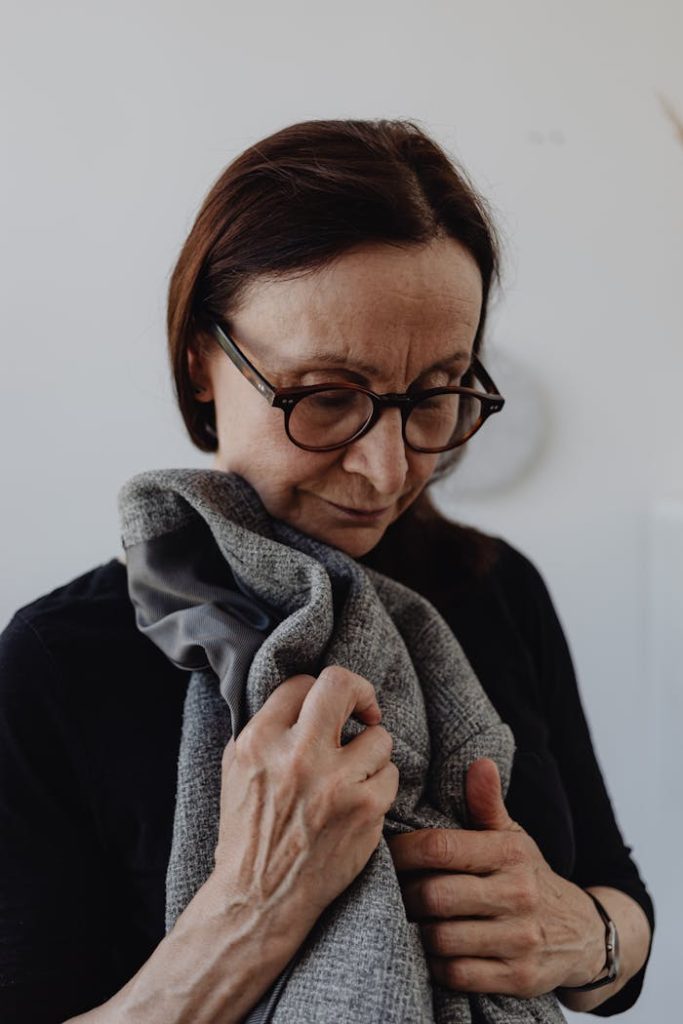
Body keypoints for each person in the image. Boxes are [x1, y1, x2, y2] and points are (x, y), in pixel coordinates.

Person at [0, 118, 653, 1023]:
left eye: (436, 394)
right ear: (201, 363)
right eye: (324, 396)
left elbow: (616, 906)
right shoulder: (57, 661)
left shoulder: (496, 588)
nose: (387, 471)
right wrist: (254, 910)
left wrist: (583, 933)